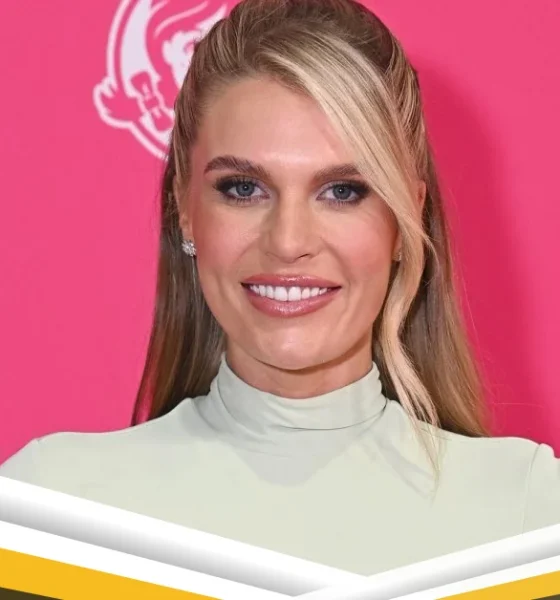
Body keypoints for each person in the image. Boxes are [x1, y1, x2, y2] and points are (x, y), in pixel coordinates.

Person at [1, 0, 559, 577]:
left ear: (404, 218)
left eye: (343, 191)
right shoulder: (51, 513)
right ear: (185, 208)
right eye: (243, 188)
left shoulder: (530, 517)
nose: (289, 241)